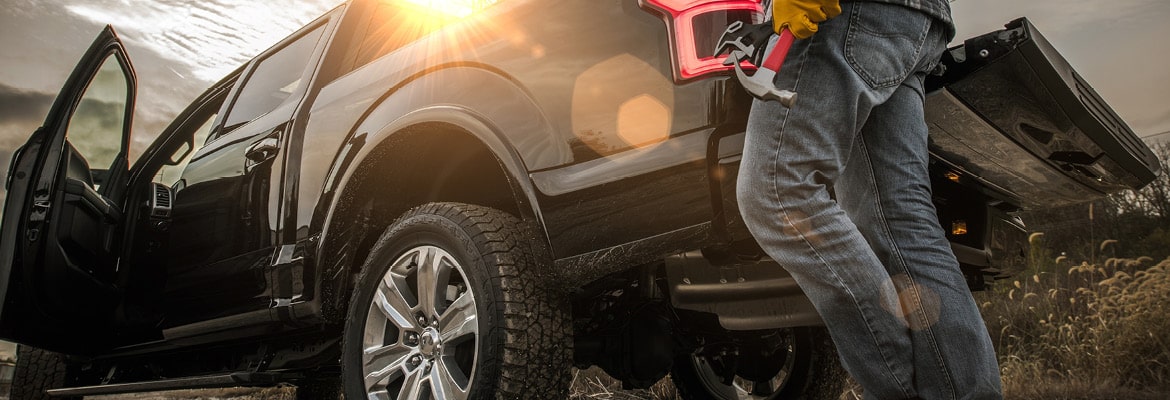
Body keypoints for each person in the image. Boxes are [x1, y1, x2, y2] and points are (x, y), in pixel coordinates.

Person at [737, 0, 1003, 398]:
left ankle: (898, 389)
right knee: (901, 220)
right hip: (914, 19)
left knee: (777, 192)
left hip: (851, 15)